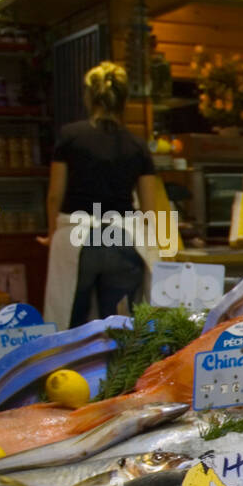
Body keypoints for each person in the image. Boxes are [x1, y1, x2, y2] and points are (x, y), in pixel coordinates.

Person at [41, 62, 159, 328]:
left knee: (72, 324)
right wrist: (155, 245)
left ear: (88, 96)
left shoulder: (70, 136)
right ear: (125, 100)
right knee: (120, 328)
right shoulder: (137, 145)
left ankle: (70, 369)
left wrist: (51, 235)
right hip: (123, 239)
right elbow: (150, 208)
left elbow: (54, 195)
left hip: (77, 237)